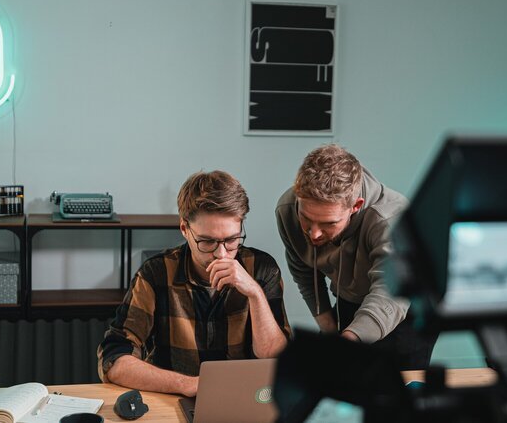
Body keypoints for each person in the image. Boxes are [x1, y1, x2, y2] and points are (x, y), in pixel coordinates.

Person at [98, 171, 291, 396]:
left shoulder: (263, 269)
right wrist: (188, 385)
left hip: (244, 399)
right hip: (173, 399)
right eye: (207, 241)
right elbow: (114, 360)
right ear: (184, 229)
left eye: (231, 240)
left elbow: (277, 359)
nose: (221, 254)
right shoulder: (155, 273)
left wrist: (255, 294)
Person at [275, 144, 434, 369]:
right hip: (349, 302)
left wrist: (347, 343)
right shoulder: (287, 209)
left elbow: (389, 294)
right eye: (306, 218)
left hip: (402, 309)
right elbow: (304, 273)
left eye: (329, 223)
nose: (314, 233)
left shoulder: (389, 219)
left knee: (396, 388)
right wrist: (331, 333)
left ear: (355, 206)